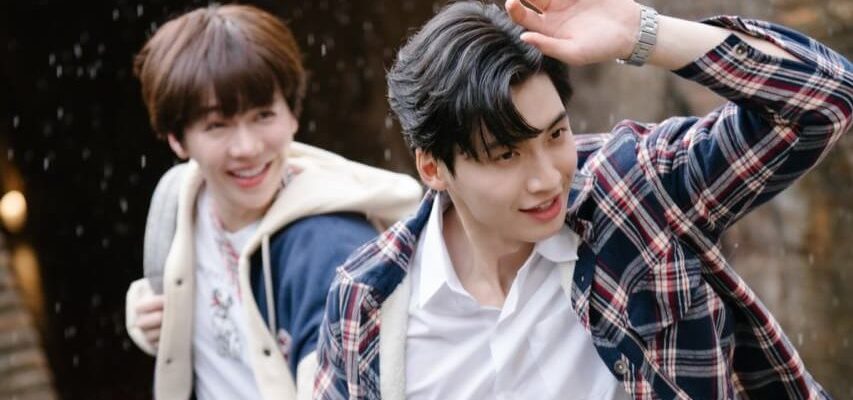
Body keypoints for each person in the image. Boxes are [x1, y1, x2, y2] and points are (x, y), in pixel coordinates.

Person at [314, 0, 852, 399]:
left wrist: (641, 32)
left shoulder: (630, 193)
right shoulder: (369, 304)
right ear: (433, 167)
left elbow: (825, 102)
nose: (547, 178)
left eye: (555, 134)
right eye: (506, 155)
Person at [121, 4, 422, 399]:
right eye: (217, 125)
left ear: (293, 114)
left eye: (263, 115)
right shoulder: (178, 201)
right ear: (177, 139)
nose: (247, 148)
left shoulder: (331, 248)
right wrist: (156, 317)